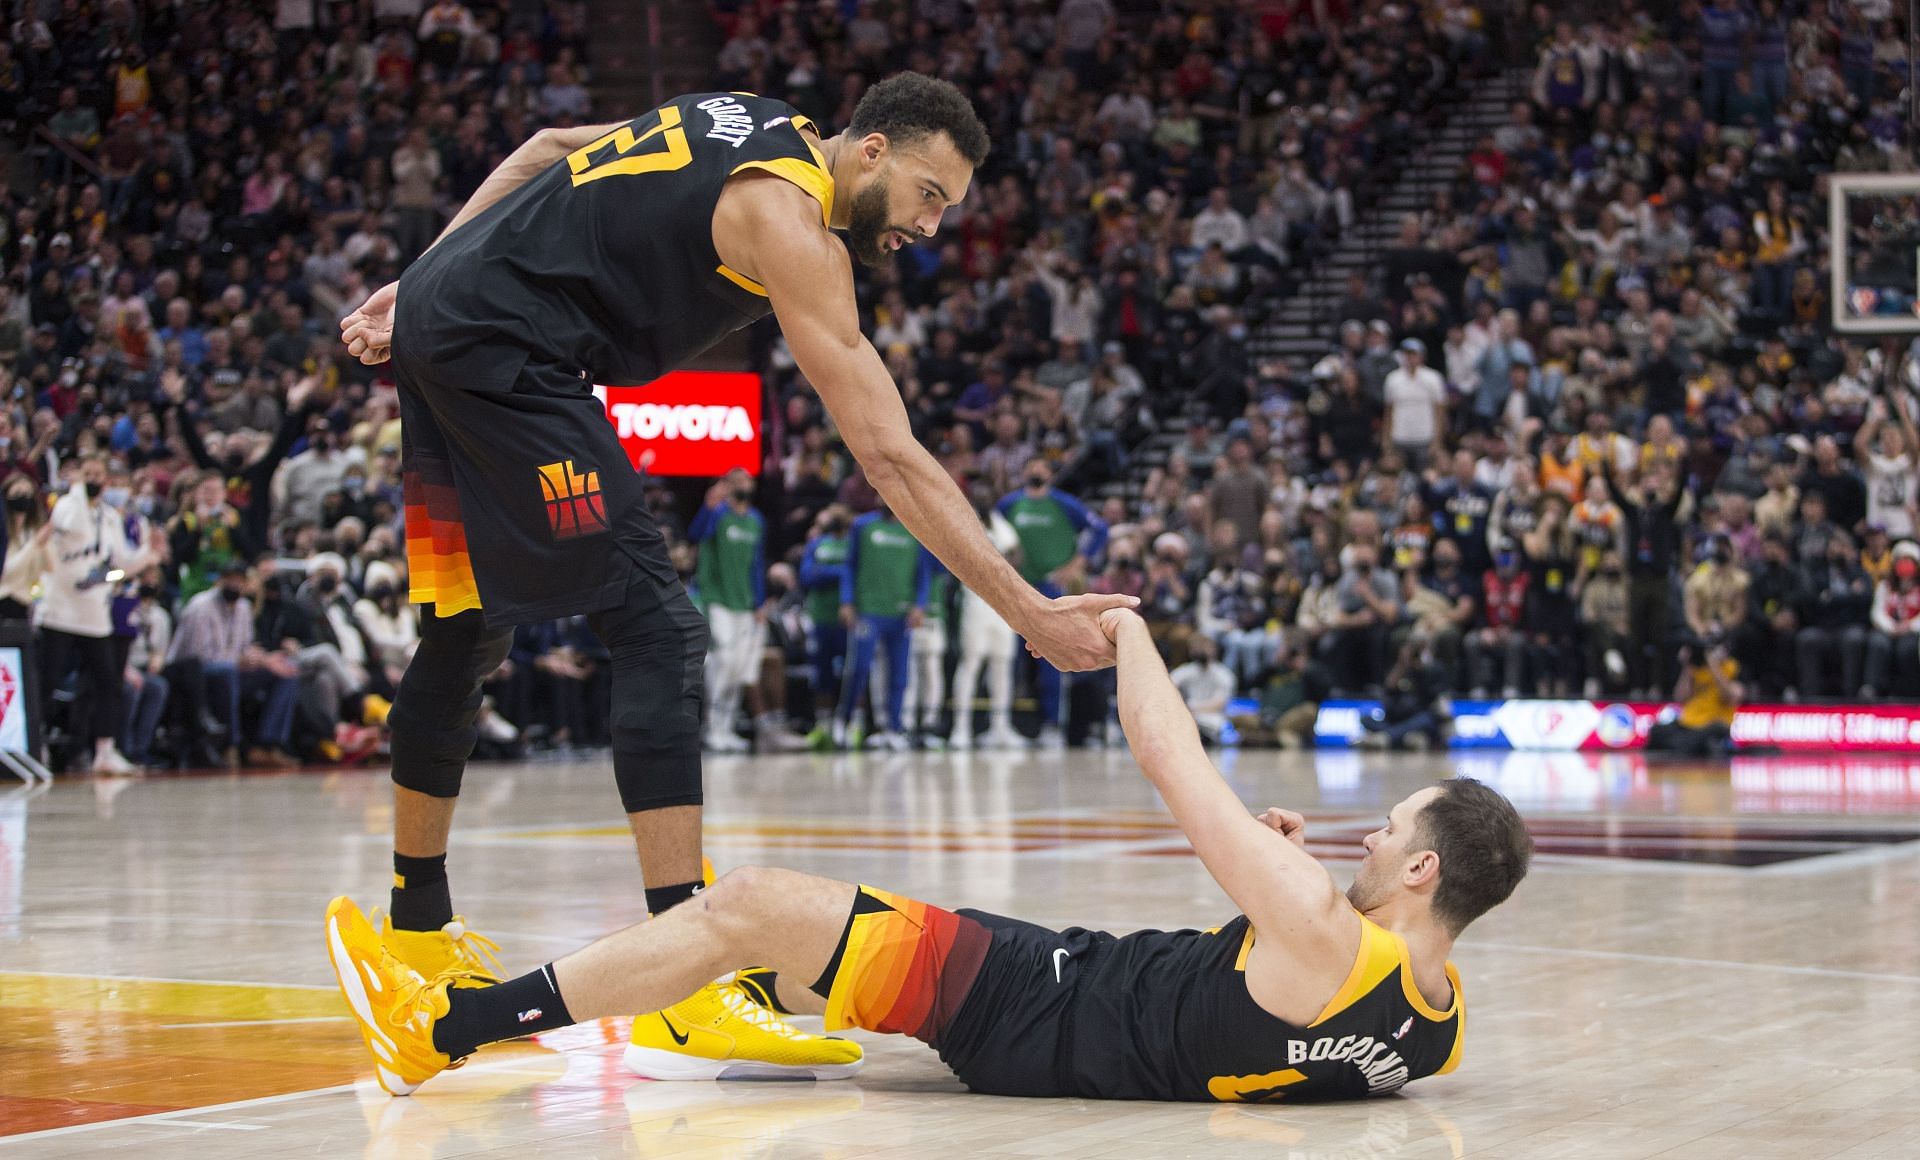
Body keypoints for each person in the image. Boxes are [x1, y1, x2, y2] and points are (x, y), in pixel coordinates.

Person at [335, 73, 1132, 1080]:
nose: (931, 225)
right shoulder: (791, 222)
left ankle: (415, 925)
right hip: (508, 351)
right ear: (872, 152)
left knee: (469, 619)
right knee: (657, 627)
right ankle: (683, 973)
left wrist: (418, 278)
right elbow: (887, 454)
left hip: (454, 318)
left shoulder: (748, 114)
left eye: (948, 208)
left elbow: (544, 148)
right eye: (930, 193)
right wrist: (1028, 607)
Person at [324, 606, 1533, 1101]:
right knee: (787, 954)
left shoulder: (1328, 927)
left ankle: (444, 1027)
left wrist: (1128, 632)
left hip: (1022, 993)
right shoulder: (1436, 1023)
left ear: (1425, 869)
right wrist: (1267, 906)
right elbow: (1279, 1011)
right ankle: (712, 999)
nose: (1371, 834)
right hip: (1062, 1018)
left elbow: (1171, 761)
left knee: (743, 898)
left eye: (1394, 827)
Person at [39, 455, 159, 773]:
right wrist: (79, 495)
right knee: (46, 681)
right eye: (87, 473)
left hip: (94, 613)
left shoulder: (109, 518)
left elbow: (119, 567)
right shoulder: (68, 505)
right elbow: (65, 527)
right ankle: (34, 745)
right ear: (78, 477)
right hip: (59, 610)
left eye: (98, 474)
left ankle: (105, 751)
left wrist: (148, 555)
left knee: (109, 682)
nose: (93, 479)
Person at [997, 457, 1108, 747]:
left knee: (1052, 656)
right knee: (1009, 657)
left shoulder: (1065, 504)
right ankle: (1004, 725)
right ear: (1023, 472)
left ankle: (1052, 725)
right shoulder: (1009, 505)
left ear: (1050, 472)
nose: (1036, 471)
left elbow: (1100, 529)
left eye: (1041, 467)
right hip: (1016, 588)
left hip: (1052, 587)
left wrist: (1077, 564)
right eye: (1031, 466)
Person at [835, 503, 930, 750]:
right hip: (868, 611)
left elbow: (923, 572)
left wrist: (920, 604)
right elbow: (849, 565)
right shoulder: (862, 526)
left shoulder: (915, 527)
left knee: (900, 674)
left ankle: (893, 728)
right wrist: (847, 600)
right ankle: (843, 721)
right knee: (859, 667)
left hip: (900, 611)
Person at [690, 470, 768, 753]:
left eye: (749, 482)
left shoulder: (756, 520)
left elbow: (757, 564)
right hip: (718, 599)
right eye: (740, 482)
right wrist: (707, 508)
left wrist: (759, 602)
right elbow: (696, 535)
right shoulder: (718, 513)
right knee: (722, 662)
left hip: (744, 603)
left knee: (738, 667)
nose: (745, 486)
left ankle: (728, 727)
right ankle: (712, 727)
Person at [948, 487, 1024, 750]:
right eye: (978, 496)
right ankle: (961, 727)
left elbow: (1018, 555)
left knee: (1002, 664)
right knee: (971, 662)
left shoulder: (1002, 525)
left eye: (987, 495)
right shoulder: (966, 524)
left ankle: (1001, 727)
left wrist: (1003, 559)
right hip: (976, 603)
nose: (983, 499)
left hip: (1002, 604)